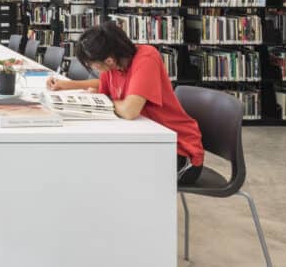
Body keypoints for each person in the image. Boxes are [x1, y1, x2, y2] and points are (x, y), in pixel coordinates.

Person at [47, 22, 204, 183]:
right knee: (97, 162)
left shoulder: (146, 58)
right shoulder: (114, 64)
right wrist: (67, 85)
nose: (92, 68)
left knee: (110, 172)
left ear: (109, 60)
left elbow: (130, 110)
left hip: (179, 150)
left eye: (92, 65)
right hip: (147, 141)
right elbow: (102, 86)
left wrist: (104, 100)